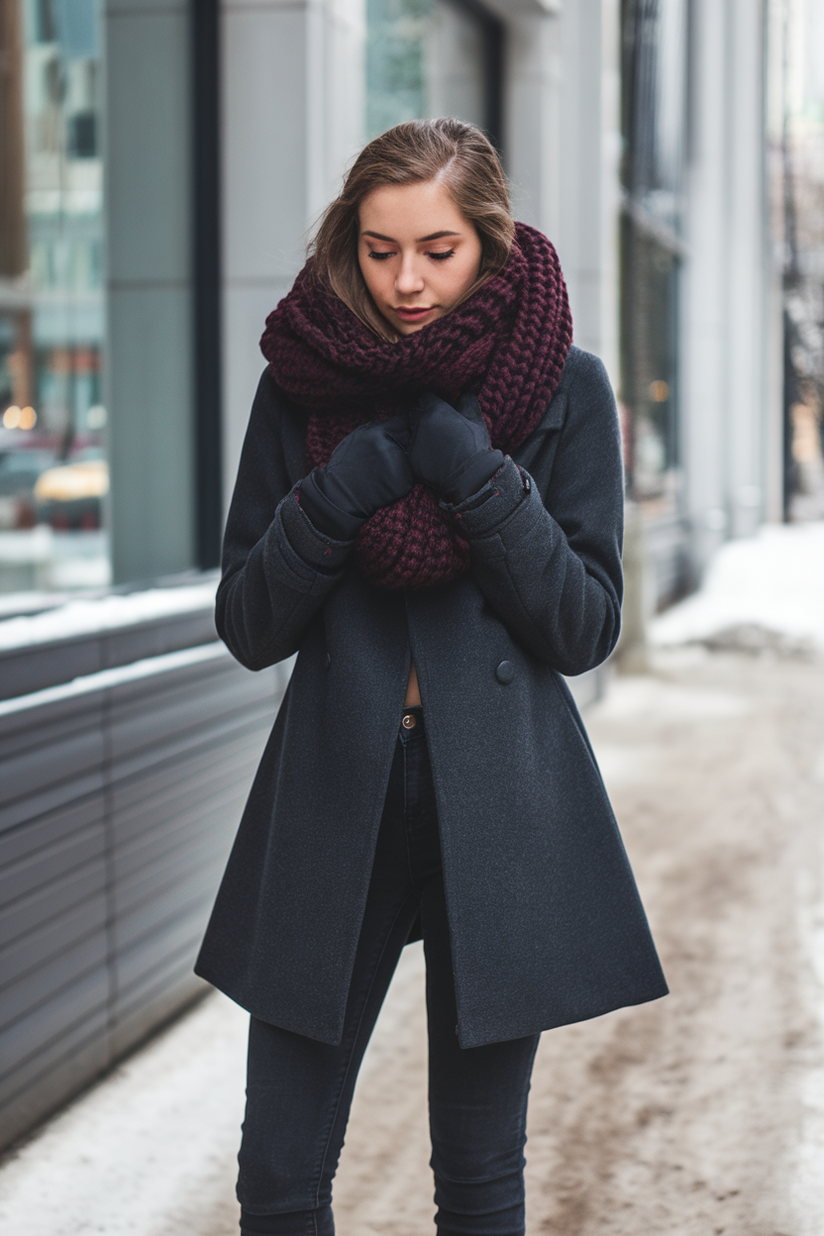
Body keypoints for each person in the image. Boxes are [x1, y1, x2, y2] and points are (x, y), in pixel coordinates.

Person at [195, 117, 667, 1236]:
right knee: (277, 1175)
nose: (406, 281)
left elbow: (582, 623)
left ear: (488, 248)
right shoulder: (302, 388)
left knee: (478, 1173)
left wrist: (477, 476)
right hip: (333, 795)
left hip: (497, 802)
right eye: (378, 248)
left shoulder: (564, 387)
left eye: (437, 250)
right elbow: (249, 622)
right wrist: (344, 484)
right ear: (347, 247)